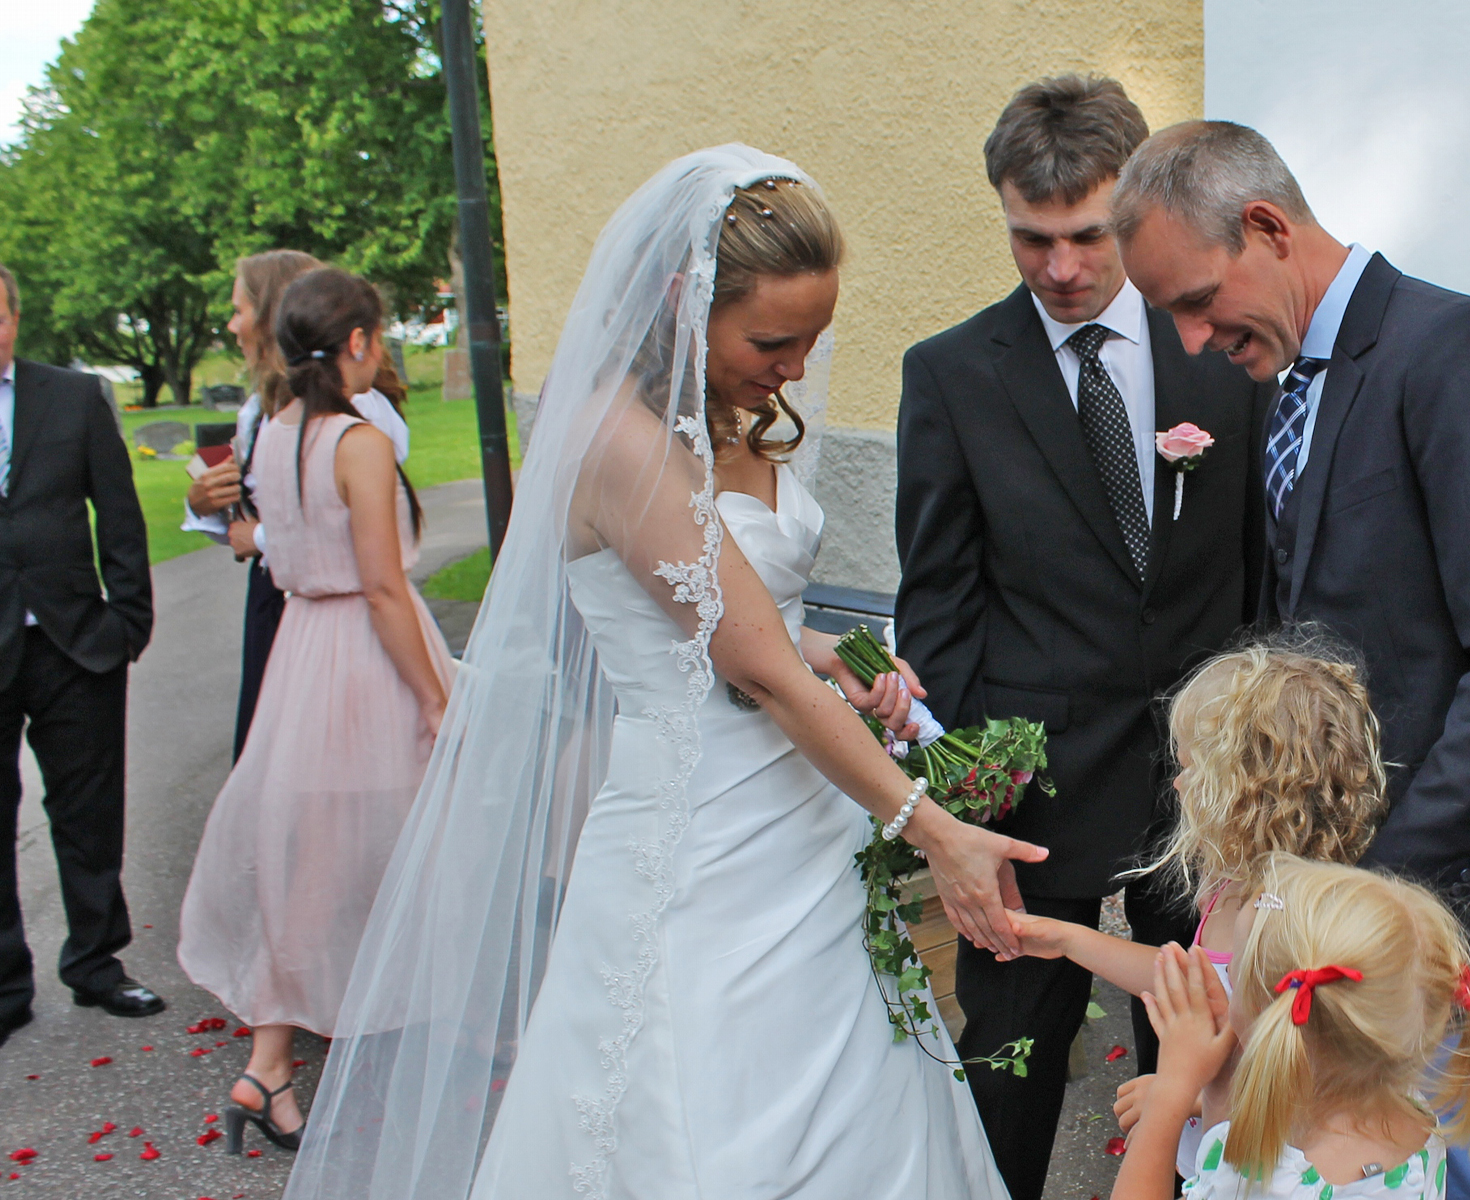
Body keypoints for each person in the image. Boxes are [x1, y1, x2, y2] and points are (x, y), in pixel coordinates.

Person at [285, 146, 1031, 1200]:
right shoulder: (623, 444)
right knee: (710, 1108)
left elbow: (743, 631)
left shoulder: (702, 417)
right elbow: (758, 673)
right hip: (703, 844)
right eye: (772, 341)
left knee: (864, 1076)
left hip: (800, 826)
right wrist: (932, 823)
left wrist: (834, 654)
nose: (793, 367)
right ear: (686, 301)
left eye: (814, 339)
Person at [1110, 120, 1470, 1199]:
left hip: (1455, 905)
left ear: (1267, 228)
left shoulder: (1456, 354)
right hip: (1347, 926)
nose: (1194, 339)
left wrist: (1370, 880)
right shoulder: (1289, 376)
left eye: (1198, 301)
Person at [895, 75, 1269, 1197]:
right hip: (1035, 791)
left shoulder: (1218, 342)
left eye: (1086, 235)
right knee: (1008, 1070)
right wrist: (963, 799)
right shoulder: (951, 375)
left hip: (1203, 785)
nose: (1060, 267)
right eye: (1030, 237)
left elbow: (1258, 559)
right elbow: (940, 603)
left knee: (1200, 1057)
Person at [175, 267, 454, 1154]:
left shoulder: (276, 433)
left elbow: (261, 539)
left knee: (315, 856)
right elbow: (381, 586)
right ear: (359, 342)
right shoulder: (357, 439)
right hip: (363, 662)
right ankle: (424, 1046)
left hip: (299, 653)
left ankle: (270, 1065)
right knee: (396, 846)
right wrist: (433, 697)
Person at [1004, 635, 1386, 1169]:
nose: (1177, 784)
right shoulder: (1232, 886)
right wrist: (1068, 939)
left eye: (1191, 767)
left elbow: (1285, 1069)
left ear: (1246, 788)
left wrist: (1179, 1094)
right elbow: (1197, 987)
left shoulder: (1280, 916)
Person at [1111, 854, 1470, 1200]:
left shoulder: (1262, 1182)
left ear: (1274, 1015)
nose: (1228, 974)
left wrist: (1171, 1092)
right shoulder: (1417, 1124)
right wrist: (1221, 1080)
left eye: (1235, 972)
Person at [0, 261, 162, 1049]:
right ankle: (5, 985)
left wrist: (128, 619)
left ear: (14, 317)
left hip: (74, 641)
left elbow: (119, 511)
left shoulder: (70, 397)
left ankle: (96, 963)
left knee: (88, 812)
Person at [184, 250, 413, 756]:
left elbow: (357, 521)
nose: (232, 324)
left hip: (337, 605)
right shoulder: (258, 410)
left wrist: (260, 536)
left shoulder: (358, 410)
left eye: (239, 309)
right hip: (277, 600)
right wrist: (206, 503)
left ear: (272, 315)